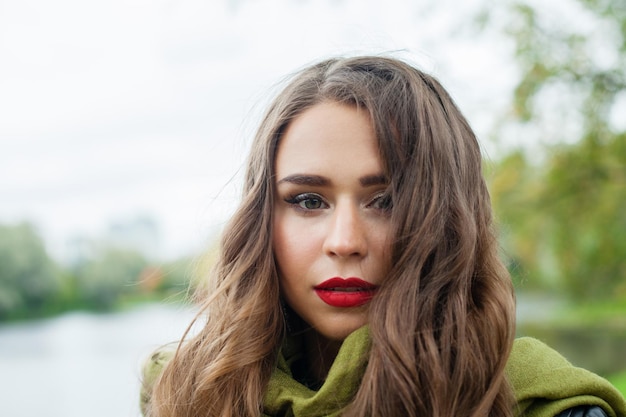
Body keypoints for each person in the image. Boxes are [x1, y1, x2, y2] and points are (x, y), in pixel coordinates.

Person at [140, 56, 626, 417]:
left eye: (387, 200)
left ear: (448, 221)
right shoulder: (186, 393)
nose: (345, 242)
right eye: (309, 201)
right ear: (260, 221)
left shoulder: (548, 407)